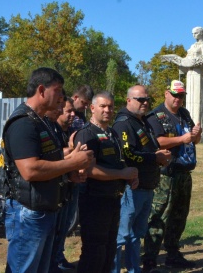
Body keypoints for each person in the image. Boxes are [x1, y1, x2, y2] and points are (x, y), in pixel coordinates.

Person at [3, 67, 92, 273]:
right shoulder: (23, 122)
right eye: (58, 90)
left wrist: (70, 173)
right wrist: (73, 163)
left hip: (44, 209)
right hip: (29, 212)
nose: (62, 96)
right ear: (41, 90)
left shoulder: (41, 121)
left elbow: (50, 161)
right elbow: (30, 170)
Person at [73, 91, 139, 273]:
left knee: (109, 251)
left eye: (110, 106)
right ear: (92, 108)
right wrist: (122, 174)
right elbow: (88, 170)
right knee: (94, 252)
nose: (107, 110)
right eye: (103, 106)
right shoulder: (87, 135)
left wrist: (131, 175)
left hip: (113, 199)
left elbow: (119, 162)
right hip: (94, 201)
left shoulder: (112, 133)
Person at [143, 80, 201, 271]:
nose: (178, 99)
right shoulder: (155, 116)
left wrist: (196, 134)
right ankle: (150, 259)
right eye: (175, 95)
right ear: (166, 93)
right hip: (166, 175)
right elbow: (156, 142)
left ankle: (173, 254)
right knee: (158, 216)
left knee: (179, 216)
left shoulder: (184, 114)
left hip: (184, 173)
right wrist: (182, 139)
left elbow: (193, 139)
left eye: (181, 95)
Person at [112, 85, 171, 273]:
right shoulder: (123, 123)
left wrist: (158, 156)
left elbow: (148, 148)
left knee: (137, 235)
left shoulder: (143, 121)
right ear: (129, 100)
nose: (145, 103)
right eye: (140, 99)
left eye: (147, 99)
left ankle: (133, 269)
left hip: (147, 186)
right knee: (121, 236)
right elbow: (128, 154)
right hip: (131, 188)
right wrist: (155, 157)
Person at [50, 95, 80, 273]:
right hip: (57, 189)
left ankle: (58, 258)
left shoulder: (68, 130)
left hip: (70, 186)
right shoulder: (52, 129)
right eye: (68, 111)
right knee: (56, 228)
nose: (72, 115)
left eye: (73, 111)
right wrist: (71, 151)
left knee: (65, 226)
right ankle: (53, 262)